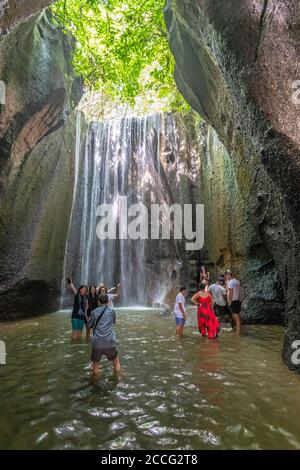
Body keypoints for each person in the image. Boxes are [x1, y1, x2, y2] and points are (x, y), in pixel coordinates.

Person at [88, 294, 121, 375]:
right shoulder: (112, 311)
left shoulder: (94, 312)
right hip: (110, 341)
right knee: (116, 361)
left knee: (95, 364)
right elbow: (113, 323)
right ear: (107, 301)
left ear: (98, 301)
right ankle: (119, 378)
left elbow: (89, 325)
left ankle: (95, 382)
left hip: (97, 342)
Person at [224, 269, 242, 335]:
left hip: (233, 301)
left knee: (236, 316)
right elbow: (240, 291)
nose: (225, 277)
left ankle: (238, 332)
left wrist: (229, 302)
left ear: (229, 275)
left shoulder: (230, 282)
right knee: (236, 315)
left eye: (226, 275)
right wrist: (240, 299)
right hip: (238, 300)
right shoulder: (237, 281)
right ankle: (237, 328)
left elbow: (230, 293)